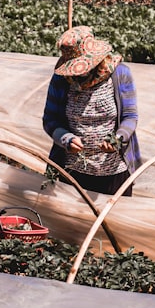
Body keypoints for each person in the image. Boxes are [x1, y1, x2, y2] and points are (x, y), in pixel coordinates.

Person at [42, 26, 141, 195]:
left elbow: (130, 116)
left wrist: (117, 139)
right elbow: (50, 119)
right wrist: (65, 139)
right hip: (73, 170)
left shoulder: (120, 74)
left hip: (114, 171)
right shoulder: (61, 79)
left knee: (111, 218)